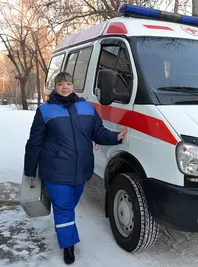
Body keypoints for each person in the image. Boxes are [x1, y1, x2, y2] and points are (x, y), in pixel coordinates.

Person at [23, 72, 127, 265]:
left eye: (69, 83)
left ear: (74, 86)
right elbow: (34, 143)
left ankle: (65, 232)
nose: (65, 87)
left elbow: (98, 132)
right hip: (55, 170)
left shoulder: (87, 108)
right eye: (61, 84)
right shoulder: (45, 111)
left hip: (81, 170)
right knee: (63, 208)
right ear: (55, 87)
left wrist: (116, 137)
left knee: (69, 205)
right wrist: (30, 170)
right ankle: (68, 246)